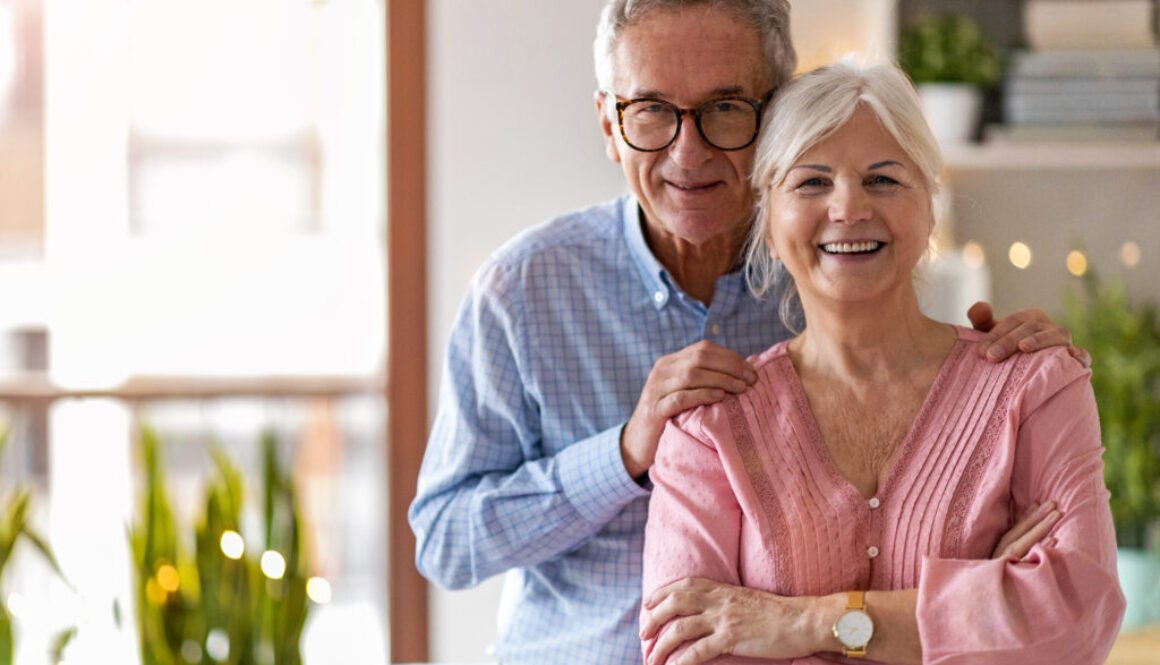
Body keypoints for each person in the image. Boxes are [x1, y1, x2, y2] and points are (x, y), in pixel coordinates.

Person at [410, 2, 1082, 663]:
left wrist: (981, 589)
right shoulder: (522, 290)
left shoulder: (840, 260)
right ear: (610, 126)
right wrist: (621, 453)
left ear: (777, 116)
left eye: (725, 108)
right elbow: (445, 542)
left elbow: (939, 556)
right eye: (651, 111)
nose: (688, 150)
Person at [639, 60, 1125, 665]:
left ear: (929, 207)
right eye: (811, 182)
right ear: (768, 218)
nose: (848, 208)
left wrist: (801, 622)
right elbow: (680, 650)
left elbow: (1078, 621)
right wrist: (972, 610)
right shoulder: (706, 428)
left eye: (884, 180)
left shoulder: (1036, 384)